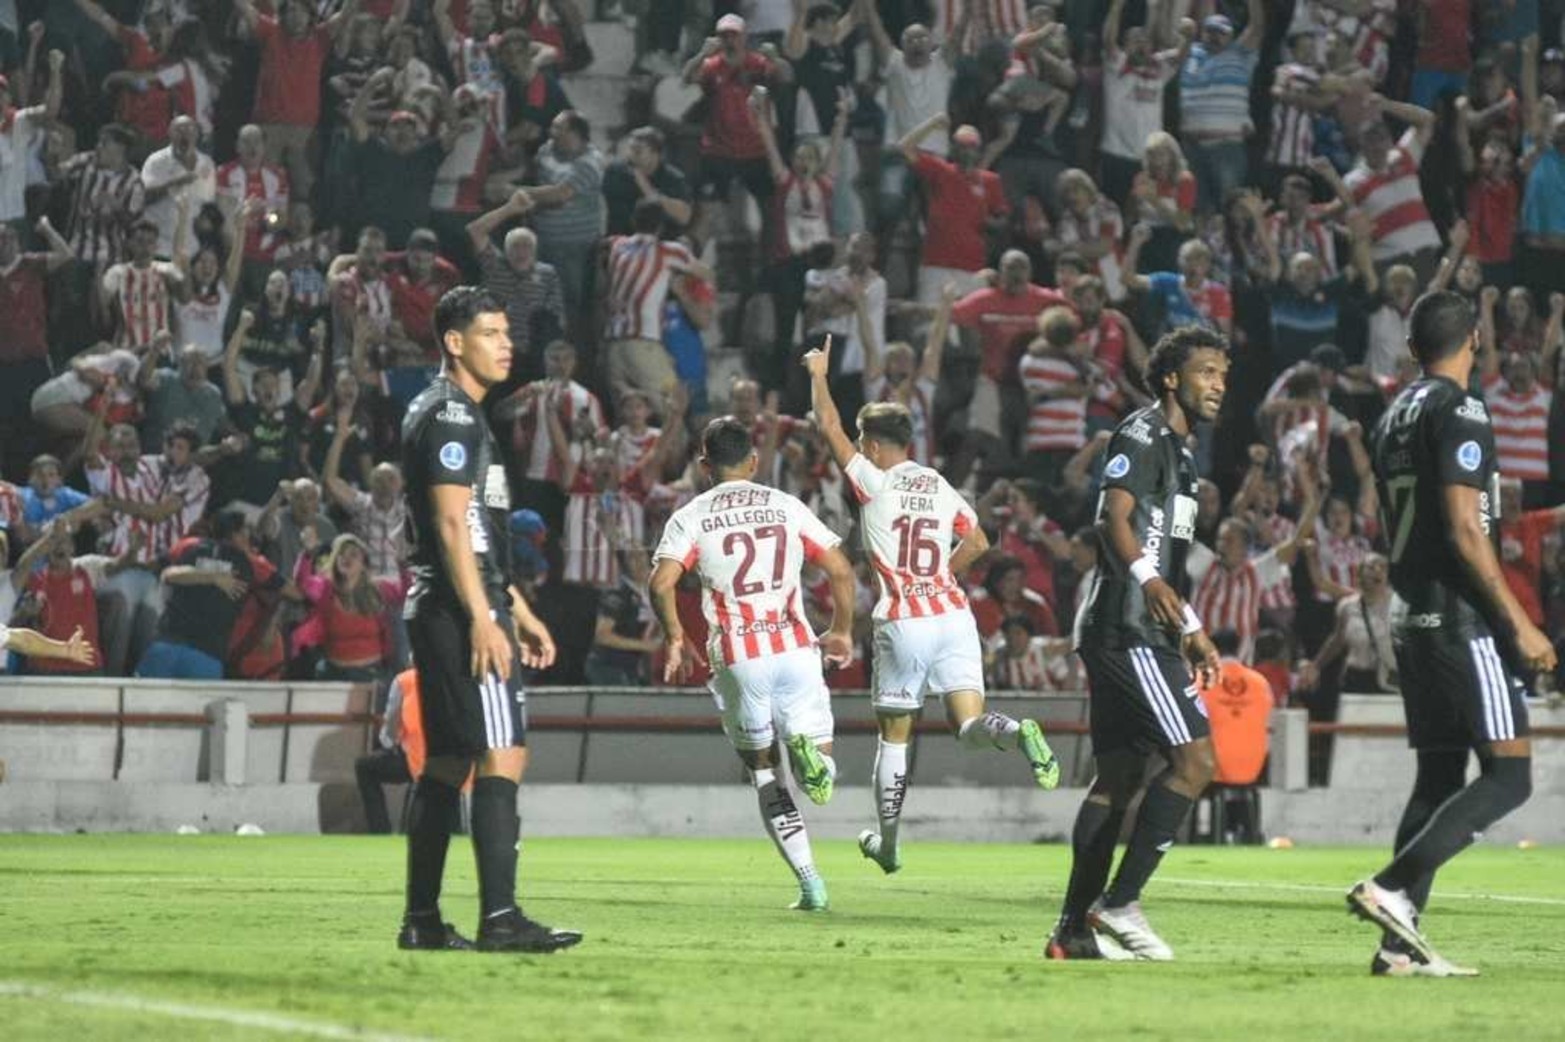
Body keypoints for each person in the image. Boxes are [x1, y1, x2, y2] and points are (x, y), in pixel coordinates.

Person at [1349, 291, 1557, 976]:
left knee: (1438, 776)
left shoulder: (1392, 415)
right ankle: (1391, 885)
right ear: (1473, 339)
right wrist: (1519, 622)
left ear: (1411, 348)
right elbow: (1467, 529)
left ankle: (1395, 950)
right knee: (1509, 774)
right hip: (1457, 616)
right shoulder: (1460, 408)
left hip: (1408, 613)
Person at [803, 336, 1059, 875]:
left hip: (904, 619)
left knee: (894, 736)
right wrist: (943, 572)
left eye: (860, 439)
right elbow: (982, 541)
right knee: (969, 725)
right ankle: (1017, 733)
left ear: (872, 445)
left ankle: (890, 845)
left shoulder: (873, 480)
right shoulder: (938, 483)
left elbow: (827, 427)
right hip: (954, 616)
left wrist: (819, 374)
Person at [398, 285, 579, 953]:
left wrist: (518, 608)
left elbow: (469, 528)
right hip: (458, 609)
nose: (508, 345)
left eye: (508, 333)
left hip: (449, 603)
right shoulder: (451, 417)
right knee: (501, 753)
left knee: (446, 763)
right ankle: (500, 918)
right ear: (454, 342)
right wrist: (485, 615)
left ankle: (421, 921)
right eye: (492, 333)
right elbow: (449, 522)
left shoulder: (445, 411)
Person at [1046, 326, 1229, 961]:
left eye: (1223, 376)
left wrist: (1190, 628)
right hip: (1128, 628)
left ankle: (1072, 932)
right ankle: (1120, 903)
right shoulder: (1143, 432)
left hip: (1147, 626)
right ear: (1173, 377)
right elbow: (1112, 517)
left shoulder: (1183, 451)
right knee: (1197, 762)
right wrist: (1153, 590)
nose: (1218, 386)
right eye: (1207, 372)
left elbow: (1165, 554)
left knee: (1119, 777)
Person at [648, 416, 857, 912]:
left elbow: (660, 584)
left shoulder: (692, 515)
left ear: (704, 465)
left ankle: (810, 883)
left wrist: (676, 636)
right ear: (754, 460)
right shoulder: (786, 506)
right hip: (794, 647)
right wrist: (844, 629)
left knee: (765, 774)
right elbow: (842, 570)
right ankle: (816, 762)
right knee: (815, 760)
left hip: (740, 657)